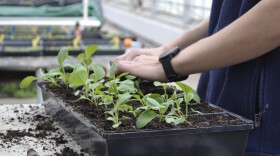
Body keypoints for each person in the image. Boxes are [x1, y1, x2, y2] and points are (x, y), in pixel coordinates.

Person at [111, 0, 280, 155]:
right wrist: (169, 49)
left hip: (264, 129)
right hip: (225, 110)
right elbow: (231, 9)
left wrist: (170, 66)